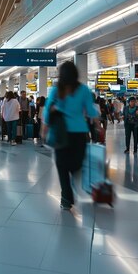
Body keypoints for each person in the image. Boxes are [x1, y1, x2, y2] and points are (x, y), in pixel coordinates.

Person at [43, 61, 100, 210]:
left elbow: (48, 110)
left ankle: (66, 198)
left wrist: (45, 126)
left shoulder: (56, 90)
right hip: (79, 133)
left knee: (62, 166)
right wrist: (98, 126)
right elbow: (91, 111)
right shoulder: (84, 90)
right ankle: (73, 186)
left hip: (61, 133)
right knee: (76, 165)